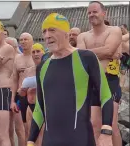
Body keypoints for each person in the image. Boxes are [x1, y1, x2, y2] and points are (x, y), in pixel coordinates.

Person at [28, 12, 114, 146]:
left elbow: (106, 95)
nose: (46, 35)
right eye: (44, 31)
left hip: (80, 139)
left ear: (66, 33)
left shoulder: (86, 57)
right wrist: (30, 141)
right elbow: (40, 107)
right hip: (50, 141)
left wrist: (106, 131)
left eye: (52, 30)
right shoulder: (43, 67)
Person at [76, 2, 123, 145]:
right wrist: (104, 52)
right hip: (91, 82)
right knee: (95, 125)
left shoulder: (114, 30)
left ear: (104, 13)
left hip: (109, 80)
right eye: (89, 13)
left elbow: (109, 50)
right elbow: (79, 57)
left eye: (95, 11)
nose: (92, 15)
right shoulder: (83, 36)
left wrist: (87, 53)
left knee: (111, 125)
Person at [10, 32, 38, 146]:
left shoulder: (37, 55)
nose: (23, 42)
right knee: (25, 129)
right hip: (21, 96)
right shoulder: (17, 58)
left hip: (36, 96)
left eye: (26, 39)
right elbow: (14, 79)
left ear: (32, 41)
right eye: (21, 40)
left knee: (38, 128)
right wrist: (12, 100)